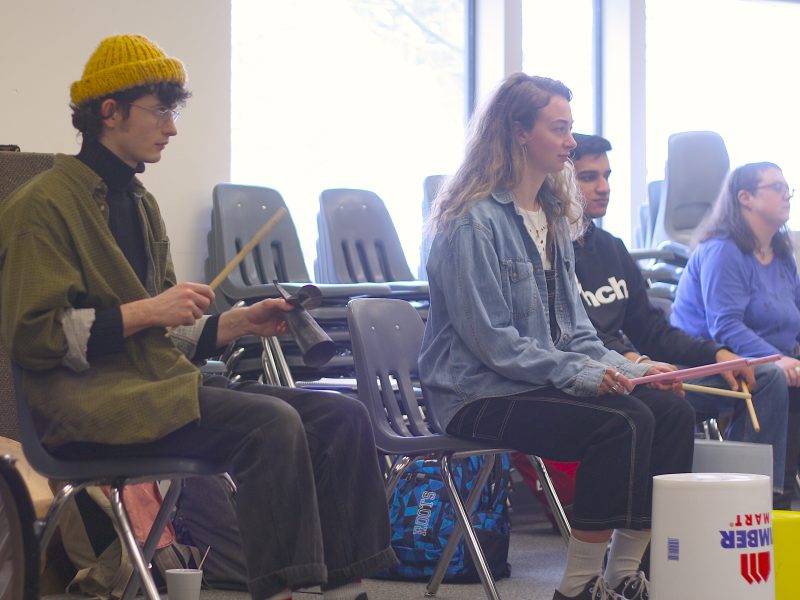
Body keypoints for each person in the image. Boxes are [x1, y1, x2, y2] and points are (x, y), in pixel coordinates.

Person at [0, 34, 396, 600]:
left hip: (153, 390)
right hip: (87, 409)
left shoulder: (139, 202)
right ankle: (282, 591)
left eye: (174, 111)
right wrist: (145, 310)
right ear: (108, 111)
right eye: (160, 110)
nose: (173, 126)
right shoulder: (40, 207)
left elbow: (164, 331)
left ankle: (340, 585)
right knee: (272, 425)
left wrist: (238, 322)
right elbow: (34, 337)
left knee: (344, 417)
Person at [420, 73, 703, 600]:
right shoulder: (469, 223)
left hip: (526, 382)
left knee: (669, 411)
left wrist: (638, 371)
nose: (571, 141)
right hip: (474, 395)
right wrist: (591, 376)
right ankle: (576, 589)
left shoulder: (552, 214)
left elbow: (576, 331)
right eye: (560, 128)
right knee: (619, 423)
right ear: (518, 131)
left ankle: (622, 575)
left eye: (570, 128)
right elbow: (494, 344)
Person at [570, 134, 786, 501]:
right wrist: (639, 364)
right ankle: (664, 534)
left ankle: (759, 505)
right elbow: (575, 339)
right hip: (594, 377)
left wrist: (718, 354)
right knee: (670, 410)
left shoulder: (611, 249)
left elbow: (652, 330)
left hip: (636, 372)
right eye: (589, 177)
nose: (604, 188)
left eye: (607, 176)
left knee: (762, 377)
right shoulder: (550, 252)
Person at [670, 161, 800, 509]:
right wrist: (781, 359)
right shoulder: (723, 250)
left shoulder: (782, 254)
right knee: (773, 376)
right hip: (708, 365)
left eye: (788, 186)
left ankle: (785, 493)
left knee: (781, 374)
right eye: (776, 187)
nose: (786, 194)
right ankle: (758, 499)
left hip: (766, 364)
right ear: (745, 198)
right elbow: (725, 327)